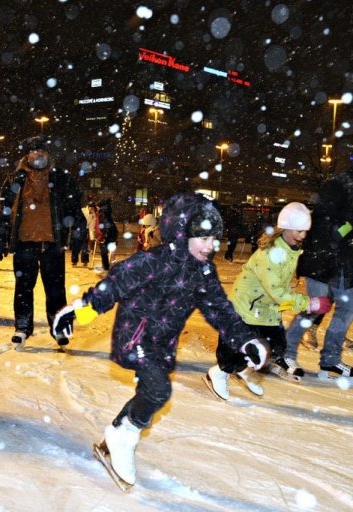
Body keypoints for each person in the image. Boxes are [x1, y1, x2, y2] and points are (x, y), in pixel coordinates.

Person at [52, 192, 268, 486]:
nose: (210, 245)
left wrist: (246, 340)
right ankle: (124, 438)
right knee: (158, 390)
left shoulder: (203, 272)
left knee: (151, 392)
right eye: (203, 238)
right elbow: (113, 287)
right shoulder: (152, 260)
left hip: (163, 343)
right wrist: (77, 311)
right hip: (135, 336)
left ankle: (115, 435)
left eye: (214, 238)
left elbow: (221, 310)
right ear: (182, 233)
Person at [206, 203, 332, 400]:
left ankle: (244, 369)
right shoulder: (270, 254)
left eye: (305, 231)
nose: (303, 235)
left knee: (275, 348)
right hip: (246, 307)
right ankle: (220, 373)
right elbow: (276, 291)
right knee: (235, 351)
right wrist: (308, 303)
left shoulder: (291, 250)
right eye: (299, 231)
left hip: (266, 309)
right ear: (286, 228)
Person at [0, 135, 86, 349]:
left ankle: (60, 328)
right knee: (23, 288)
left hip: (53, 245)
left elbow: (74, 210)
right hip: (25, 244)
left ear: (48, 155)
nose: (39, 155)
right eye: (35, 151)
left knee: (56, 290)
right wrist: (0, 239)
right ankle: (23, 327)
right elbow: (4, 211)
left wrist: (79, 237)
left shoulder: (61, 179)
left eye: (43, 151)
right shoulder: (15, 179)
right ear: (28, 155)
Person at [282, 166, 353, 380]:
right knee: (314, 307)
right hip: (322, 259)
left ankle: (330, 359)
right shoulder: (339, 184)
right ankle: (285, 353)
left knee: (347, 308)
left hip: (346, 263)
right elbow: (327, 225)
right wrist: (348, 228)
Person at [95, 198, 118, 272]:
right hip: (111, 234)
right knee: (104, 251)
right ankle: (106, 266)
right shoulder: (105, 213)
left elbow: (106, 226)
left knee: (104, 251)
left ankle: (106, 267)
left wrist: (104, 236)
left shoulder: (103, 214)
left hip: (108, 235)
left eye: (97, 207)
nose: (96, 208)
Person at [71, 202, 96, 267]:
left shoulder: (93, 215)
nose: (92, 209)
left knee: (85, 247)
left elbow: (91, 227)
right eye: (91, 207)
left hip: (84, 232)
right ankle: (74, 261)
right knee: (76, 247)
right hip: (77, 231)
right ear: (88, 207)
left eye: (93, 208)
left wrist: (92, 238)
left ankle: (85, 261)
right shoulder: (82, 211)